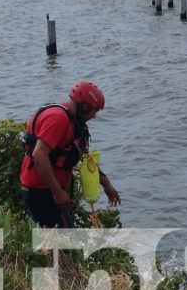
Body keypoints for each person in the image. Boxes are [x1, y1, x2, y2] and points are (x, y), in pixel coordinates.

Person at [19, 80, 120, 227]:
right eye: (94, 111)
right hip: (40, 190)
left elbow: (86, 159)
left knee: (65, 236)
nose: (94, 116)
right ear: (84, 106)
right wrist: (58, 193)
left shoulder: (74, 122)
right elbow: (39, 155)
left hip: (54, 190)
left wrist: (107, 185)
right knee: (58, 240)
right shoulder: (58, 119)